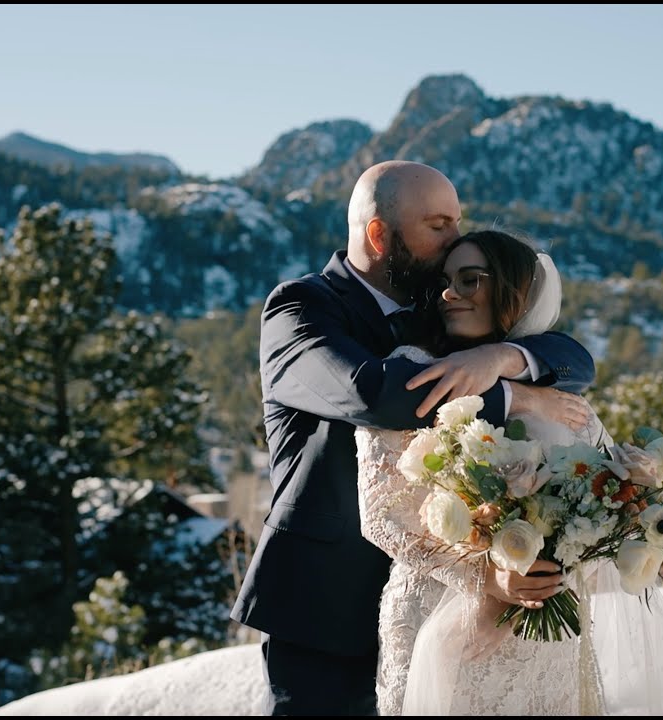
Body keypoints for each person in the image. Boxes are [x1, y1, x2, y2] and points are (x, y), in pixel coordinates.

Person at [230, 162, 597, 716]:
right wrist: (512, 395)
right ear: (380, 235)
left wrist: (502, 355)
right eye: (438, 225)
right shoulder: (300, 308)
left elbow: (571, 358)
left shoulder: (440, 304)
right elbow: (374, 394)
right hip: (327, 603)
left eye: (457, 222)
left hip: (442, 605)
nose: (455, 238)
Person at [357, 230, 663, 716]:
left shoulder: (555, 386)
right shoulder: (411, 370)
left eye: (470, 280)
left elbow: (606, 495)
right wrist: (487, 580)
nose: (450, 294)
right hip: (444, 617)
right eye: (445, 282)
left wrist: (563, 558)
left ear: (513, 290)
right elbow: (383, 513)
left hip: (547, 631)